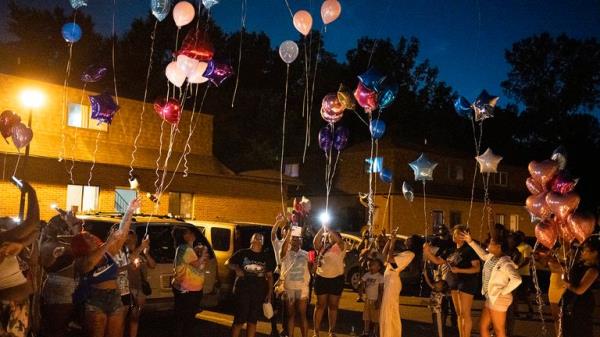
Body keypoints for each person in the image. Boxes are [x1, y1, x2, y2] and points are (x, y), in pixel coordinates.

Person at [71, 197, 140, 337]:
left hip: (115, 296)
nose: (93, 237)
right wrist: (108, 243)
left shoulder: (107, 252)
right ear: (82, 245)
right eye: (88, 237)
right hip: (95, 298)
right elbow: (89, 265)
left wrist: (129, 210)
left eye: (91, 235)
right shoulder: (82, 259)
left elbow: (121, 234)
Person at [460, 231, 521, 337]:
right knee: (483, 326)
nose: (488, 244)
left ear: (498, 247)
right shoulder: (492, 257)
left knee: (499, 330)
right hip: (491, 297)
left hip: (499, 298)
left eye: (491, 243)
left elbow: (517, 279)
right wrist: (470, 242)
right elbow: (483, 255)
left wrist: (503, 291)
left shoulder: (505, 263)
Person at [424, 225, 480, 337]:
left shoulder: (470, 249)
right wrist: (427, 251)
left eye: (458, 233)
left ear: (465, 235)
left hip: (467, 283)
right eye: (454, 233)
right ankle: (461, 334)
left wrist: (459, 269)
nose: (455, 236)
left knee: (465, 313)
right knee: (459, 313)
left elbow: (476, 268)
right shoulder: (451, 249)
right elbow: (437, 260)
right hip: (454, 283)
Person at [0, 179, 40, 337]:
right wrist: (31, 192)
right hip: (8, 306)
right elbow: (32, 224)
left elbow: (33, 233)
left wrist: (21, 244)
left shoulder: (3, 238)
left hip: (13, 305)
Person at [40, 209, 83, 336]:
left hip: (50, 284)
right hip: (62, 287)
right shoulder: (61, 246)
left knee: (51, 326)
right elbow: (81, 244)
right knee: (58, 328)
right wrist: (73, 223)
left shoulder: (45, 244)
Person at [227, 233, 275, 337]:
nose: (258, 239)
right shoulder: (242, 253)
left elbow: (270, 276)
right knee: (239, 320)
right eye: (256, 237)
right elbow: (228, 262)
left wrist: (270, 292)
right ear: (251, 240)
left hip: (258, 292)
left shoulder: (266, 257)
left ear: (263, 242)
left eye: (260, 238)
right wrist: (237, 268)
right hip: (242, 290)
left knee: (253, 321)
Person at [171, 226, 208, 337]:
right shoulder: (185, 248)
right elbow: (198, 264)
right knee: (187, 319)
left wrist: (200, 256)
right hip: (187, 290)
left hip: (190, 288)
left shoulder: (187, 249)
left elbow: (200, 266)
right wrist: (204, 253)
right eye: (190, 233)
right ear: (184, 236)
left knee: (183, 317)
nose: (193, 234)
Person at [561, 236, 600, 337]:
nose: (582, 252)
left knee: (579, 330)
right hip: (571, 300)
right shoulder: (580, 264)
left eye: (585, 250)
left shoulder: (593, 270)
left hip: (580, 303)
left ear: (594, 253)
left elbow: (580, 290)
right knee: (568, 329)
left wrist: (567, 284)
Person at [379, 227, 415, 337]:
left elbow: (390, 259)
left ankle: (391, 334)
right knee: (386, 310)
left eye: (409, 239)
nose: (406, 239)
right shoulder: (403, 253)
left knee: (390, 310)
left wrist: (393, 242)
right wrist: (390, 240)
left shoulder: (410, 254)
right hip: (390, 280)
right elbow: (384, 255)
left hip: (393, 281)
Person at [312, 227, 346, 337]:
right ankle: (316, 331)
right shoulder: (323, 247)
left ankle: (331, 331)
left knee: (333, 305)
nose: (331, 237)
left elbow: (339, 241)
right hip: (321, 277)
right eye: (330, 236)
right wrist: (323, 228)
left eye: (333, 236)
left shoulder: (341, 246)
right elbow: (315, 242)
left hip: (336, 279)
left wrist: (330, 230)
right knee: (320, 305)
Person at [280, 226, 311, 337]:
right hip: (290, 288)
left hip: (302, 288)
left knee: (302, 315)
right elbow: (282, 252)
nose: (295, 240)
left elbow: (312, 270)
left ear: (300, 241)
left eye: (297, 238)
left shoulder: (306, 254)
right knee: (291, 314)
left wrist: (315, 263)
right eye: (293, 238)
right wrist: (289, 233)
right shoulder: (285, 253)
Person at [124, 231, 156, 337]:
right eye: (128, 238)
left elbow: (152, 265)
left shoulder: (141, 254)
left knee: (135, 317)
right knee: (121, 318)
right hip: (126, 290)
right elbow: (130, 259)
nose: (131, 240)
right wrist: (142, 247)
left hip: (139, 290)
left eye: (132, 238)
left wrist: (146, 253)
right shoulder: (123, 254)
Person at [271, 214, 289, 337]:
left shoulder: (294, 244)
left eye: (288, 230)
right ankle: (273, 328)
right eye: (284, 230)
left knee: (286, 305)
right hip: (278, 274)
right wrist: (278, 222)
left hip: (289, 276)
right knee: (275, 304)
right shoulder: (279, 243)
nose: (286, 232)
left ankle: (285, 329)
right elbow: (272, 235)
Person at [423, 261, 449, 337]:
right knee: (435, 326)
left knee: (439, 327)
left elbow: (435, 303)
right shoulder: (435, 290)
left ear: (442, 288)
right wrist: (425, 275)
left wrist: (426, 303)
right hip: (435, 312)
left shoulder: (441, 294)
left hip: (439, 313)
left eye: (439, 283)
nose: (436, 283)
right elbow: (429, 283)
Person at [360, 258, 384, 337]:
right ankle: (366, 332)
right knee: (366, 317)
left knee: (376, 318)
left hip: (375, 300)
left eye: (374, 265)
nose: (371, 266)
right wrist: (360, 291)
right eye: (371, 265)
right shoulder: (367, 274)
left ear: (379, 267)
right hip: (368, 299)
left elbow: (381, 290)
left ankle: (375, 333)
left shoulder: (380, 277)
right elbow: (362, 283)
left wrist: (379, 300)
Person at [514, 231, 533, 318]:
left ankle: (531, 310)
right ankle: (516, 311)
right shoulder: (515, 247)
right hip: (515, 274)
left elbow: (527, 260)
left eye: (517, 237)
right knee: (515, 294)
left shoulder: (526, 247)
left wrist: (518, 267)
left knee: (525, 294)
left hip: (524, 274)